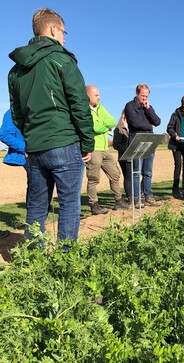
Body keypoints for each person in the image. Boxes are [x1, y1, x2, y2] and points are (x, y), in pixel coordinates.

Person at [8, 8, 94, 243]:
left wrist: (29, 138)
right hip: (64, 142)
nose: (65, 37)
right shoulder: (61, 58)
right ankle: (65, 259)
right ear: (53, 29)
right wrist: (87, 142)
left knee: (36, 206)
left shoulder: (16, 70)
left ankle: (34, 259)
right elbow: (79, 104)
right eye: (64, 32)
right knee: (68, 204)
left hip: (34, 147)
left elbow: (17, 112)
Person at [85, 85, 129, 215]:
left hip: (105, 149)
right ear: (88, 96)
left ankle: (118, 200)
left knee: (115, 174)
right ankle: (94, 205)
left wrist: (102, 125)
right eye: (96, 95)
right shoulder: (84, 110)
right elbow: (94, 127)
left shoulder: (100, 108)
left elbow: (111, 121)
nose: (99, 97)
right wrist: (104, 127)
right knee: (93, 178)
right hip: (93, 149)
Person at [124, 84, 161, 208]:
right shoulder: (130, 106)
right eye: (142, 95)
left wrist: (148, 109)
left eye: (147, 96)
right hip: (137, 142)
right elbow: (135, 123)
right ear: (137, 94)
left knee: (148, 172)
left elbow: (157, 121)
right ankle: (136, 198)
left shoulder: (148, 108)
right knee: (136, 172)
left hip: (150, 142)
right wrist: (149, 126)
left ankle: (148, 196)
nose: (145, 98)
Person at [0, 109, 31, 206]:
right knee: (37, 187)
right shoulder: (12, 112)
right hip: (30, 155)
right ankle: (34, 218)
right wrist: (25, 148)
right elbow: (4, 134)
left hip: (49, 151)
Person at [113, 110, 132, 203]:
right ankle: (130, 197)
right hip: (124, 157)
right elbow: (115, 145)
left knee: (134, 176)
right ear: (124, 115)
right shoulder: (119, 128)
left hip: (134, 156)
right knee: (128, 177)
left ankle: (137, 195)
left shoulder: (132, 126)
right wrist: (128, 149)